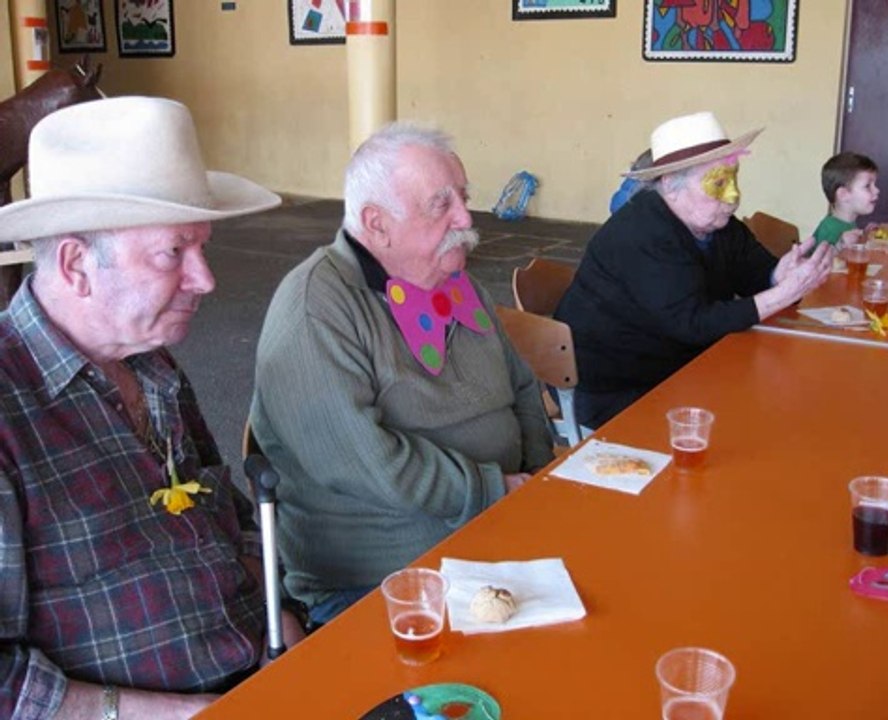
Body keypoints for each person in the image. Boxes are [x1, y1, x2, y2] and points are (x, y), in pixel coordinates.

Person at [0, 96, 305, 720]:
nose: (207, 279)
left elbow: (229, 520)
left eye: (203, 247)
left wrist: (284, 623)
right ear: (77, 264)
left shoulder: (151, 363)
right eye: (174, 252)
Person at [250, 122, 554, 626]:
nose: (465, 217)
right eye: (442, 205)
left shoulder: (458, 281)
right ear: (377, 223)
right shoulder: (317, 307)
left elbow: (521, 388)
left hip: (499, 531)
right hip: (385, 579)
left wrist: (538, 486)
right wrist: (496, 490)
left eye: (464, 197)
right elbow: (366, 464)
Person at [555, 111, 834, 429]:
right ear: (671, 186)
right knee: (763, 418)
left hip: (682, 365)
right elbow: (692, 323)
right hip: (619, 388)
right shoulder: (641, 234)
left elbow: (756, 274)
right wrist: (783, 294)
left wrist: (779, 275)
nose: (733, 196)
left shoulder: (719, 226)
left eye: (734, 178)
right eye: (718, 183)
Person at [812, 151, 880, 247]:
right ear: (844, 194)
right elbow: (820, 260)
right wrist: (840, 244)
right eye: (867, 186)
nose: (877, 190)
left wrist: (864, 235)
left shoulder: (847, 223)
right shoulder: (829, 229)